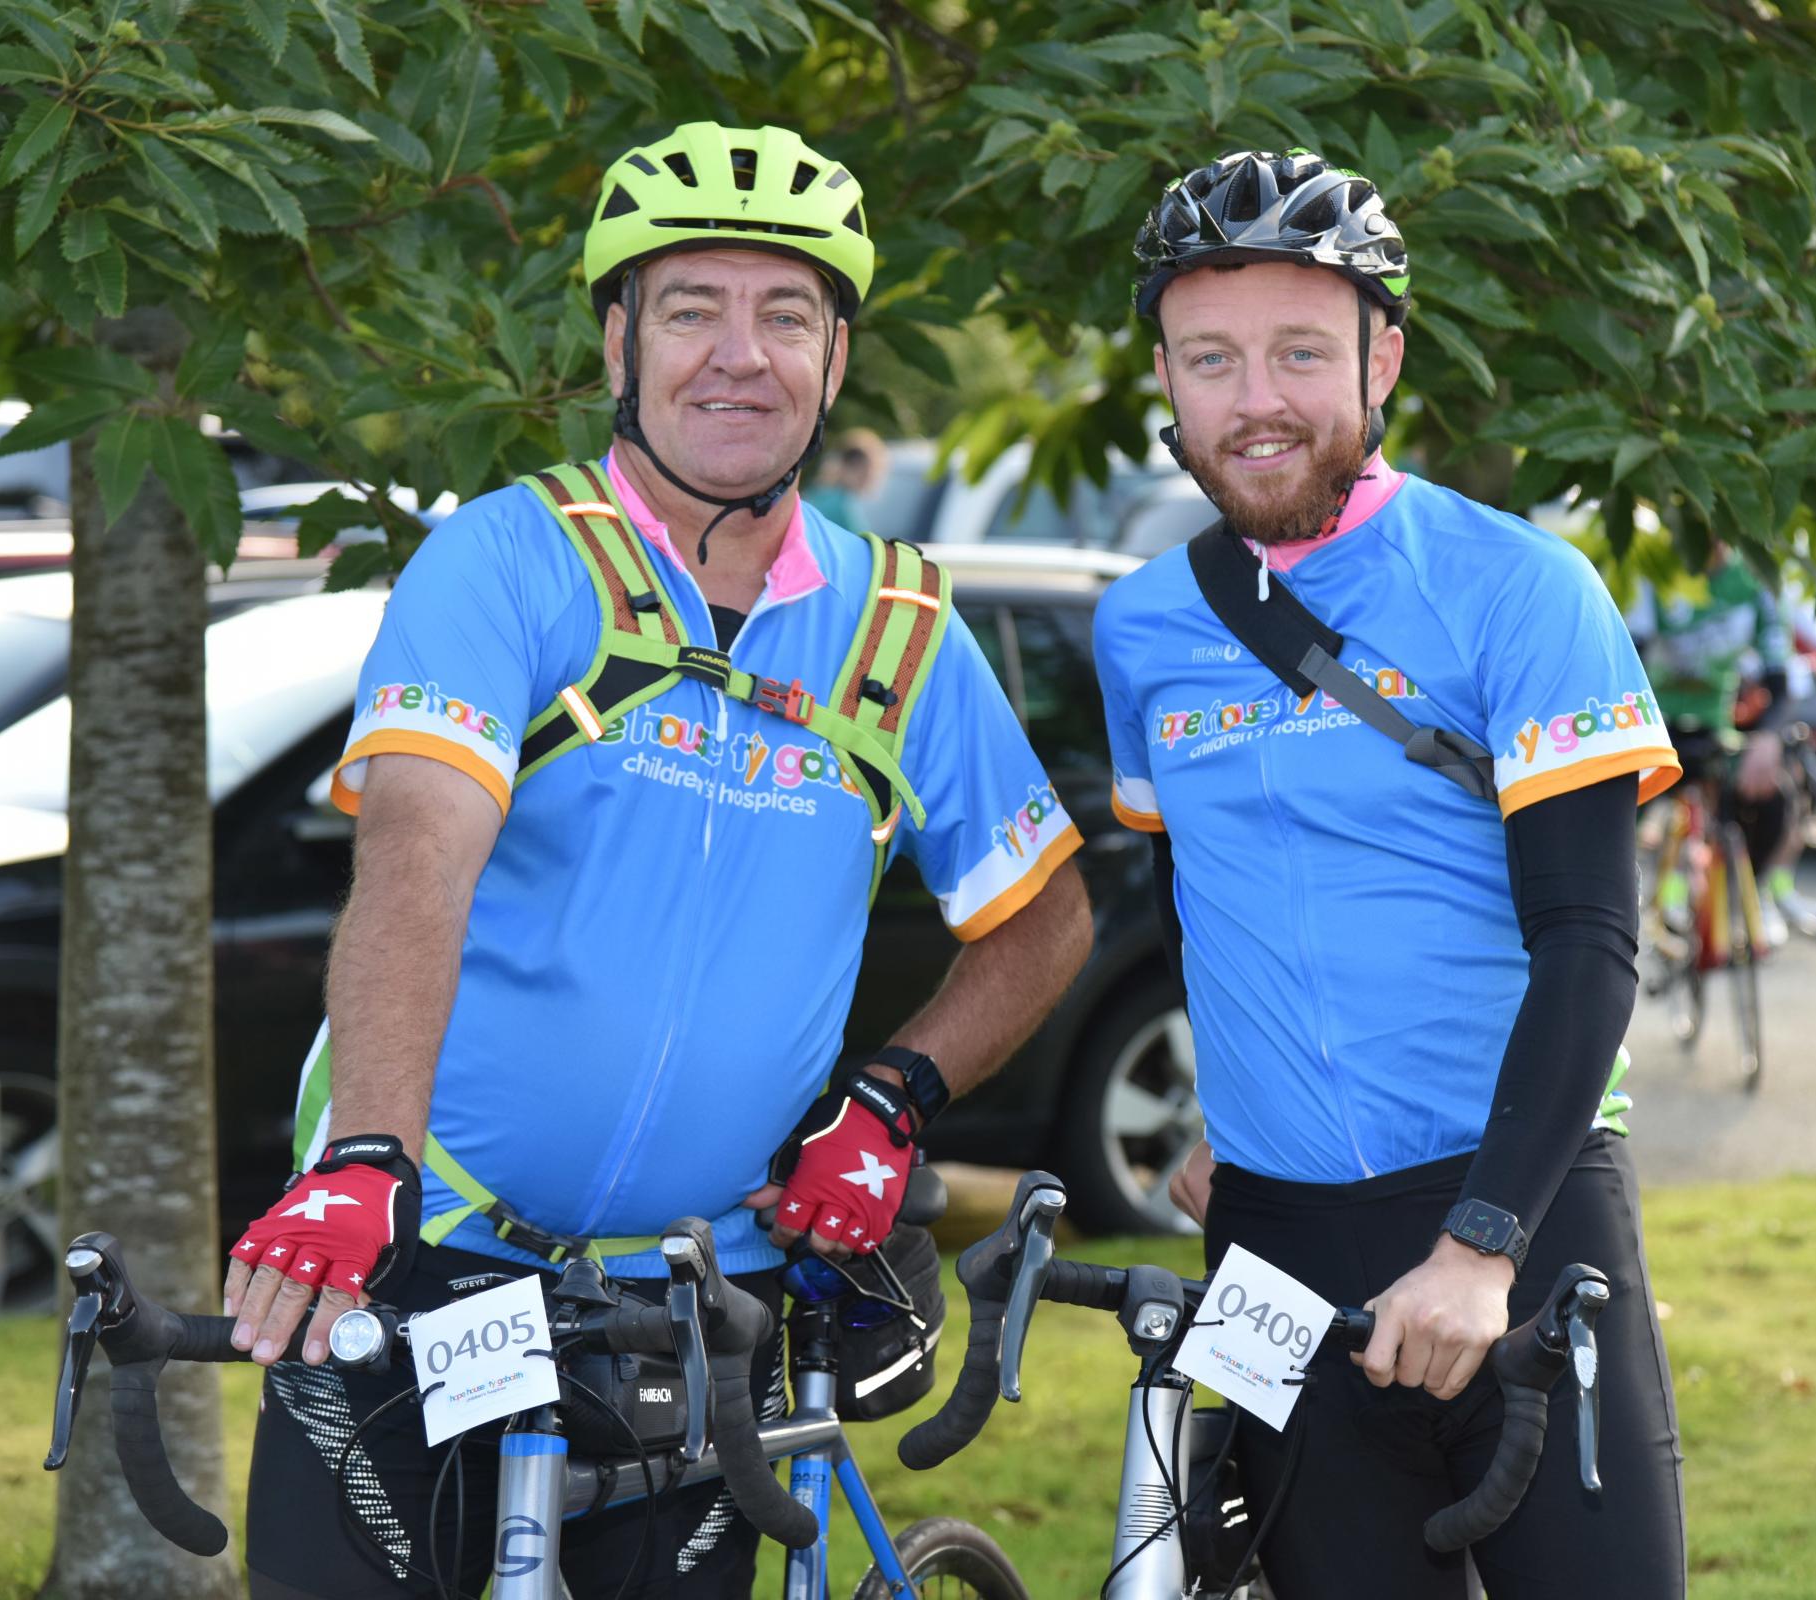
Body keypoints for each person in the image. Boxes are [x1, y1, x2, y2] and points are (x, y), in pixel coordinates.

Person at [222, 122, 1092, 1600]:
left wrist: (891, 1101)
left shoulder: (902, 631)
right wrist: (363, 1155)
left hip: (698, 1302)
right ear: (620, 339)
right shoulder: (509, 560)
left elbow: (1044, 920)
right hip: (425, 1245)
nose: (738, 357)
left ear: (834, 360)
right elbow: (419, 861)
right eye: (692, 309)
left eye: (787, 316)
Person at [1093, 148, 1688, 1598]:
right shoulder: (1142, 629)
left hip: (1527, 1230)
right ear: (1165, 380)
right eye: (1211, 358)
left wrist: (1481, 1249)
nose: (1258, 400)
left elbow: (1592, 939)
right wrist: (1236, 1105)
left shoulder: (1518, 587)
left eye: (1303, 350)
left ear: (1386, 356)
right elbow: (1206, 892)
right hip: (1281, 1246)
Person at [1628, 547, 1799, 944]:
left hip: (1717, 728)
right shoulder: (1653, 567)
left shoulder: (1756, 578)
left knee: (1776, 796)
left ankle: (1750, 895)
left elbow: (1781, 683)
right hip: (1656, 725)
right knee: (1615, 806)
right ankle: (1636, 897)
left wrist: (1769, 738)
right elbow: (1628, 657)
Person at [802, 425, 888, 530]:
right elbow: (861, 542)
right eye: (870, 471)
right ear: (855, 467)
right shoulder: (843, 506)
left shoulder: (816, 492)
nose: (873, 478)